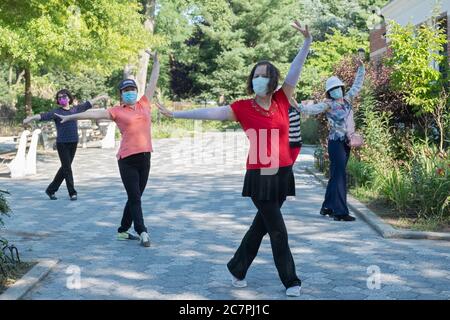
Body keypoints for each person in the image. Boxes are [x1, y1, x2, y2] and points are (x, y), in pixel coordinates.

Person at [156, 21, 311, 297]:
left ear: (272, 79)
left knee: (260, 226)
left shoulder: (282, 99)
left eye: (264, 75)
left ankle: (237, 268)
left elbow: (295, 70)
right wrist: (174, 114)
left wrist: (307, 42)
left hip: (284, 172)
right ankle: (291, 281)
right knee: (277, 230)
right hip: (260, 175)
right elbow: (209, 113)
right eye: (255, 75)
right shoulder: (241, 107)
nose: (258, 79)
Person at [57, 52, 160, 248]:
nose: (130, 92)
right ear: (121, 95)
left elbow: (153, 81)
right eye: (126, 90)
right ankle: (142, 231)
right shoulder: (116, 111)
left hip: (145, 158)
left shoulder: (144, 104)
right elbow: (91, 113)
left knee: (134, 196)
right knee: (135, 197)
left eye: (132, 89)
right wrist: (69, 117)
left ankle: (122, 231)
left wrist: (156, 63)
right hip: (127, 160)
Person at [298, 57, 365, 222]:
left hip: (347, 142)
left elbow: (357, 85)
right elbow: (313, 109)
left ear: (342, 88)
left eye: (338, 88)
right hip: (336, 143)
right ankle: (340, 212)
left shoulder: (348, 99)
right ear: (329, 91)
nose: (337, 91)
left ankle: (327, 206)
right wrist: (299, 107)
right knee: (340, 175)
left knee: (336, 174)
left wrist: (361, 69)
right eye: (333, 89)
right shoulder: (328, 104)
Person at [23, 90, 108, 200]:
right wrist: (30, 118)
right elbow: (42, 116)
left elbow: (88, 104)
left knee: (65, 168)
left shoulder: (75, 109)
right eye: (59, 97)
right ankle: (72, 193)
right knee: (67, 168)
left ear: (69, 98)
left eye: (63, 96)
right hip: (62, 143)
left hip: (73, 142)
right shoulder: (56, 112)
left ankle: (51, 190)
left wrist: (101, 96)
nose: (61, 98)